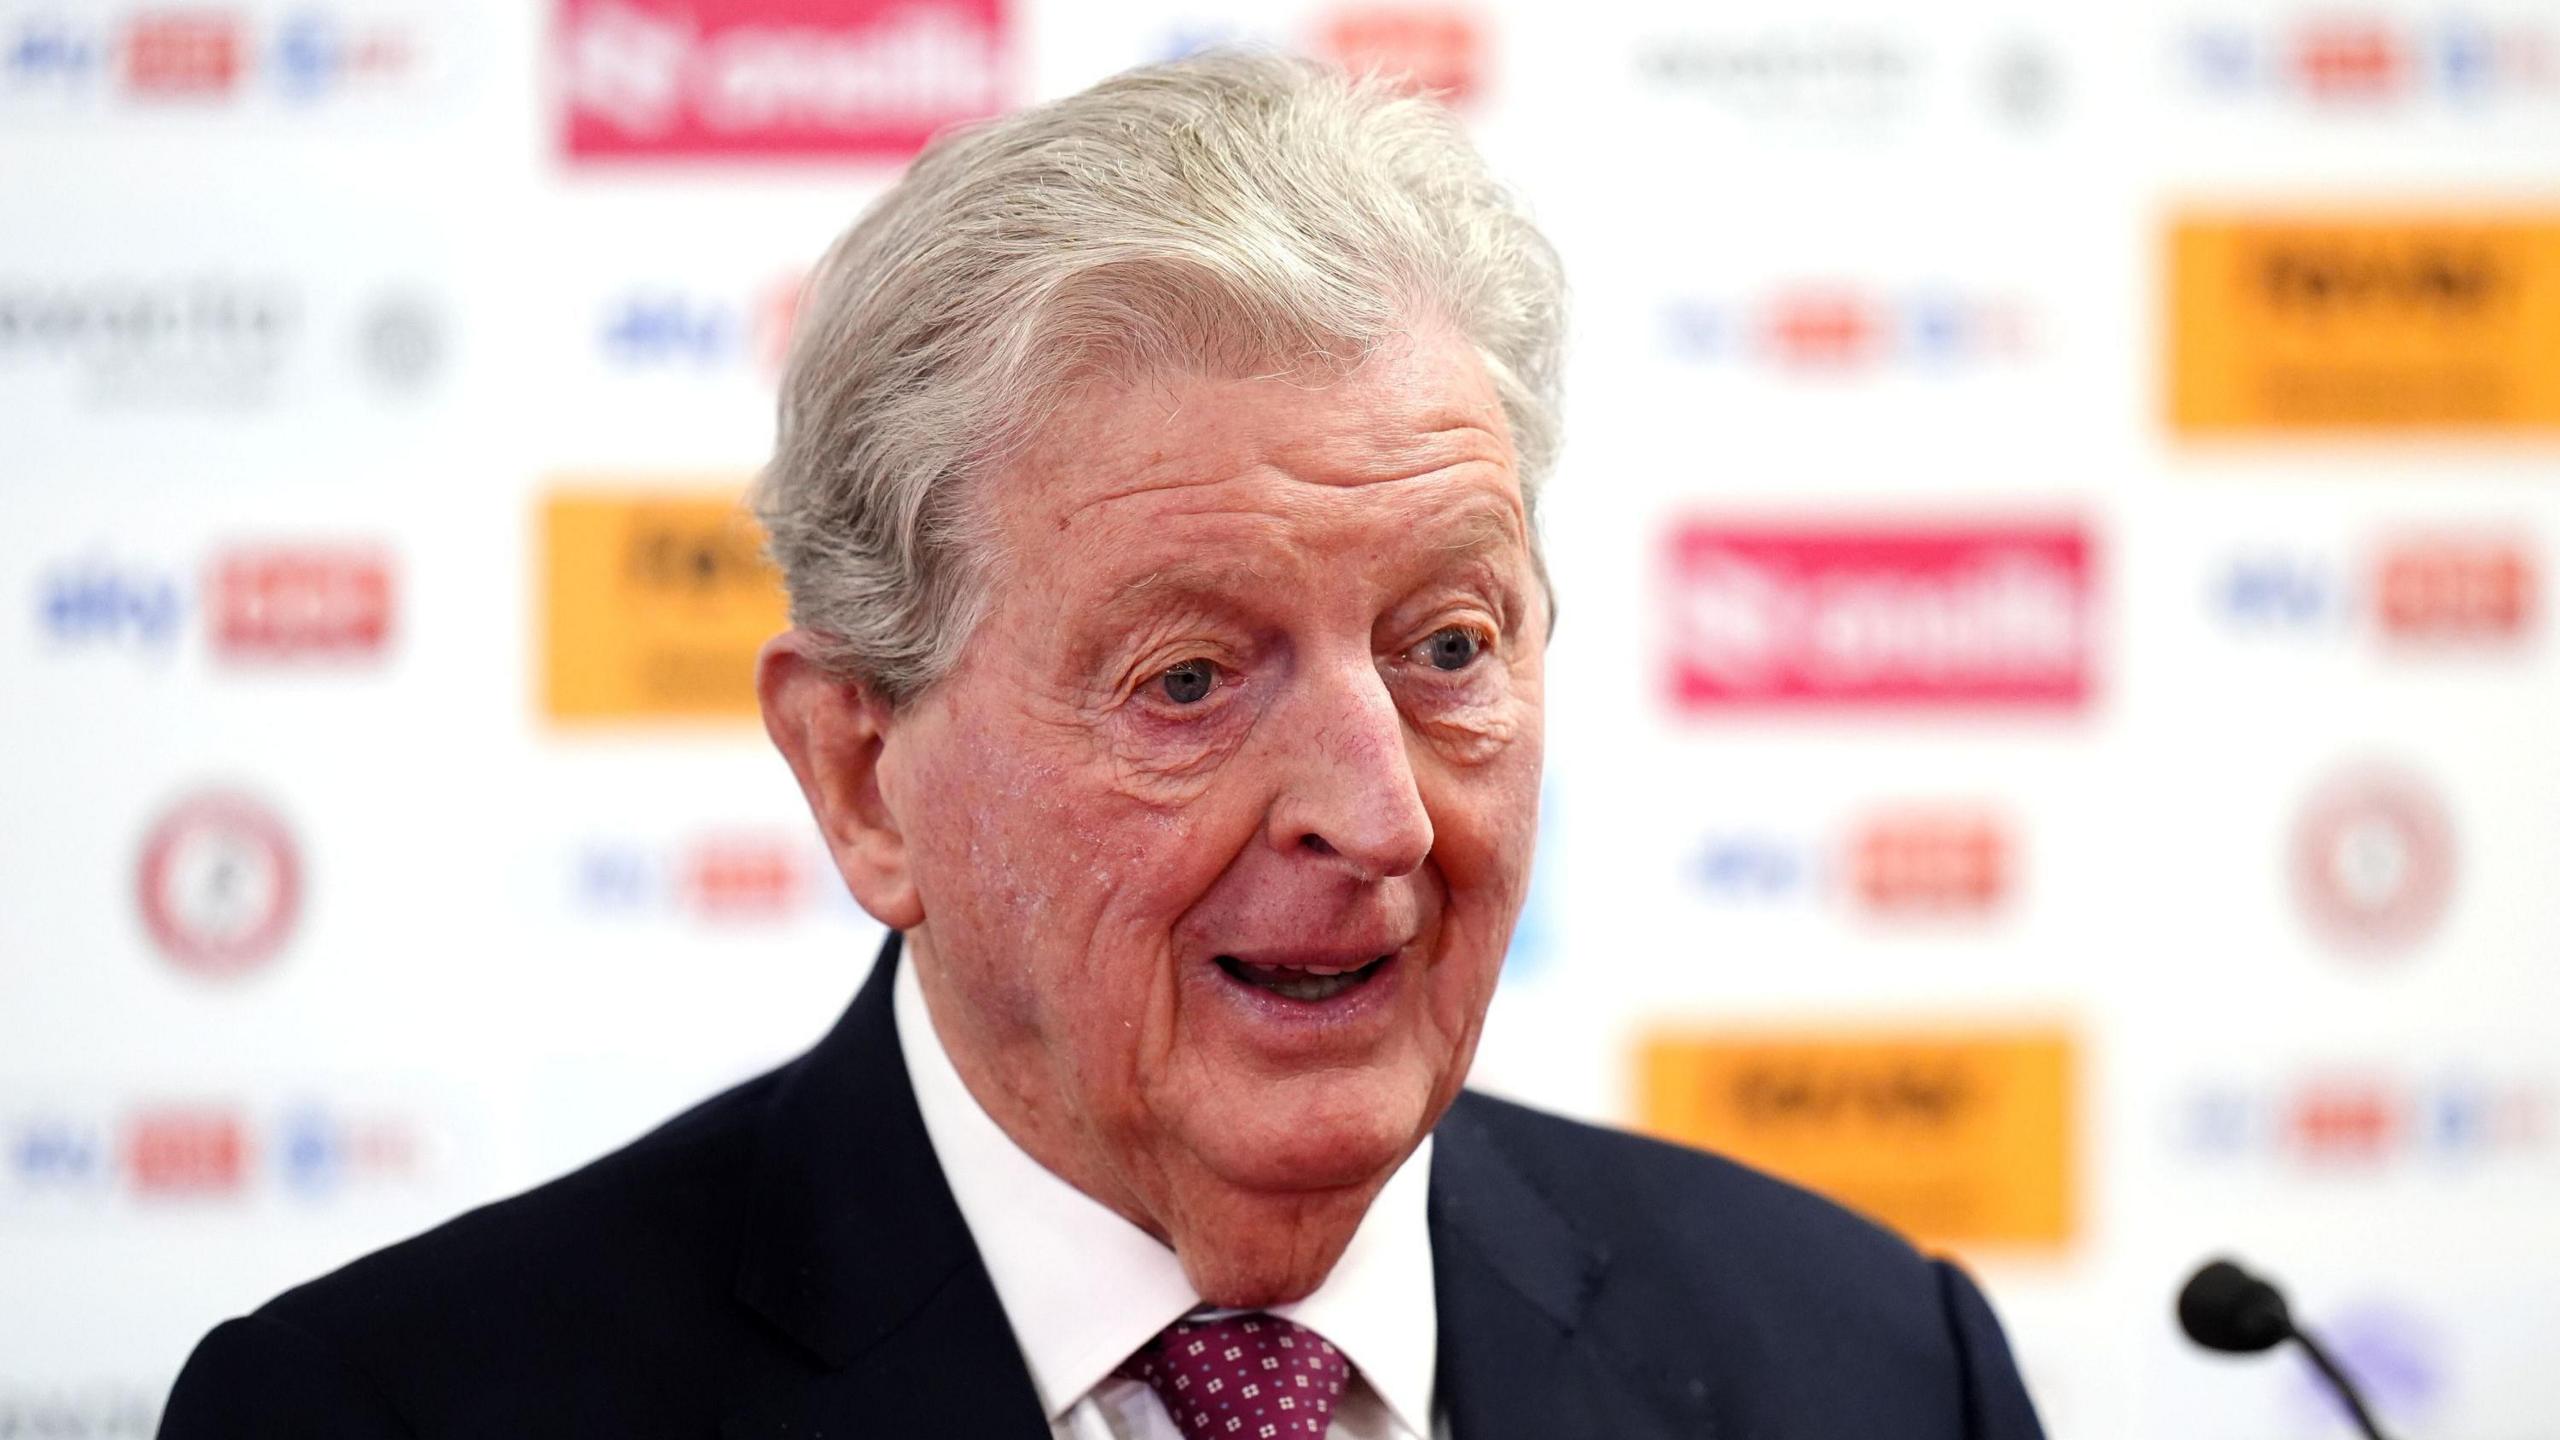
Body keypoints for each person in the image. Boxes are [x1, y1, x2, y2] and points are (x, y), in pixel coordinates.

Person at [161, 51, 2045, 1439]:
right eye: (1188, 682)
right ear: (858, 775)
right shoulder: (383, 1413)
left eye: (1449, 646)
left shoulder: (1873, 1368)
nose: (1376, 810)